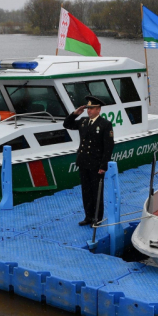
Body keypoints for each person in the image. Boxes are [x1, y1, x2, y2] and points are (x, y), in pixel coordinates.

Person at [63, 95, 115, 226]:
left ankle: (97, 218)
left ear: (98, 110)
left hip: (96, 164)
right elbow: (67, 124)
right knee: (86, 191)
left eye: (92, 109)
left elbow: (108, 147)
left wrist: (104, 165)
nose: (89, 111)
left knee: (96, 192)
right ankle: (88, 216)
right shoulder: (84, 121)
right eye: (88, 108)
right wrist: (75, 114)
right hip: (84, 162)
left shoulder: (105, 124)